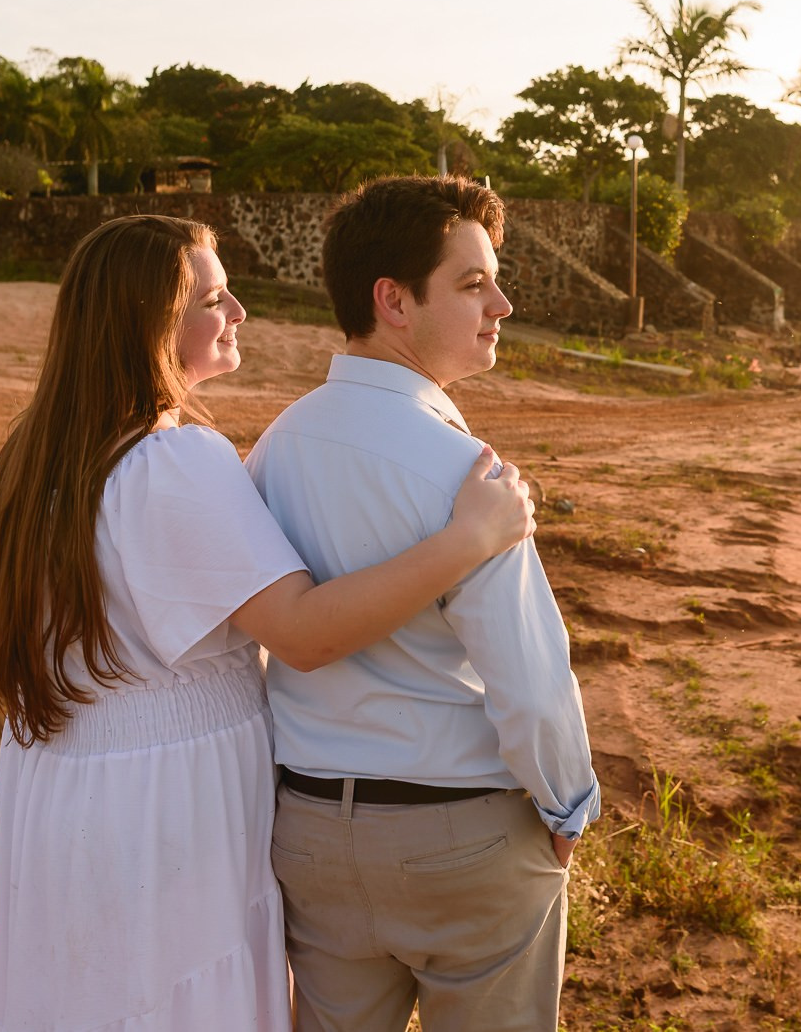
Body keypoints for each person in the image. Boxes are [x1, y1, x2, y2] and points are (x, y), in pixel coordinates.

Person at [0, 213, 536, 1032]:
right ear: (150, 324)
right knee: (174, 998)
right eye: (213, 297)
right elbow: (303, 631)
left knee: (82, 995)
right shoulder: (173, 459)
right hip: (166, 812)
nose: (238, 313)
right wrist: (467, 539)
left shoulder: (28, 458)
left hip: (64, 792)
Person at [245, 176, 599, 1032]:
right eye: (473, 283)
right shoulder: (464, 471)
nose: (503, 304)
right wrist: (566, 807)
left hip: (313, 834)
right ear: (393, 300)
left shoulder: (272, 450)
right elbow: (530, 675)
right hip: (463, 839)